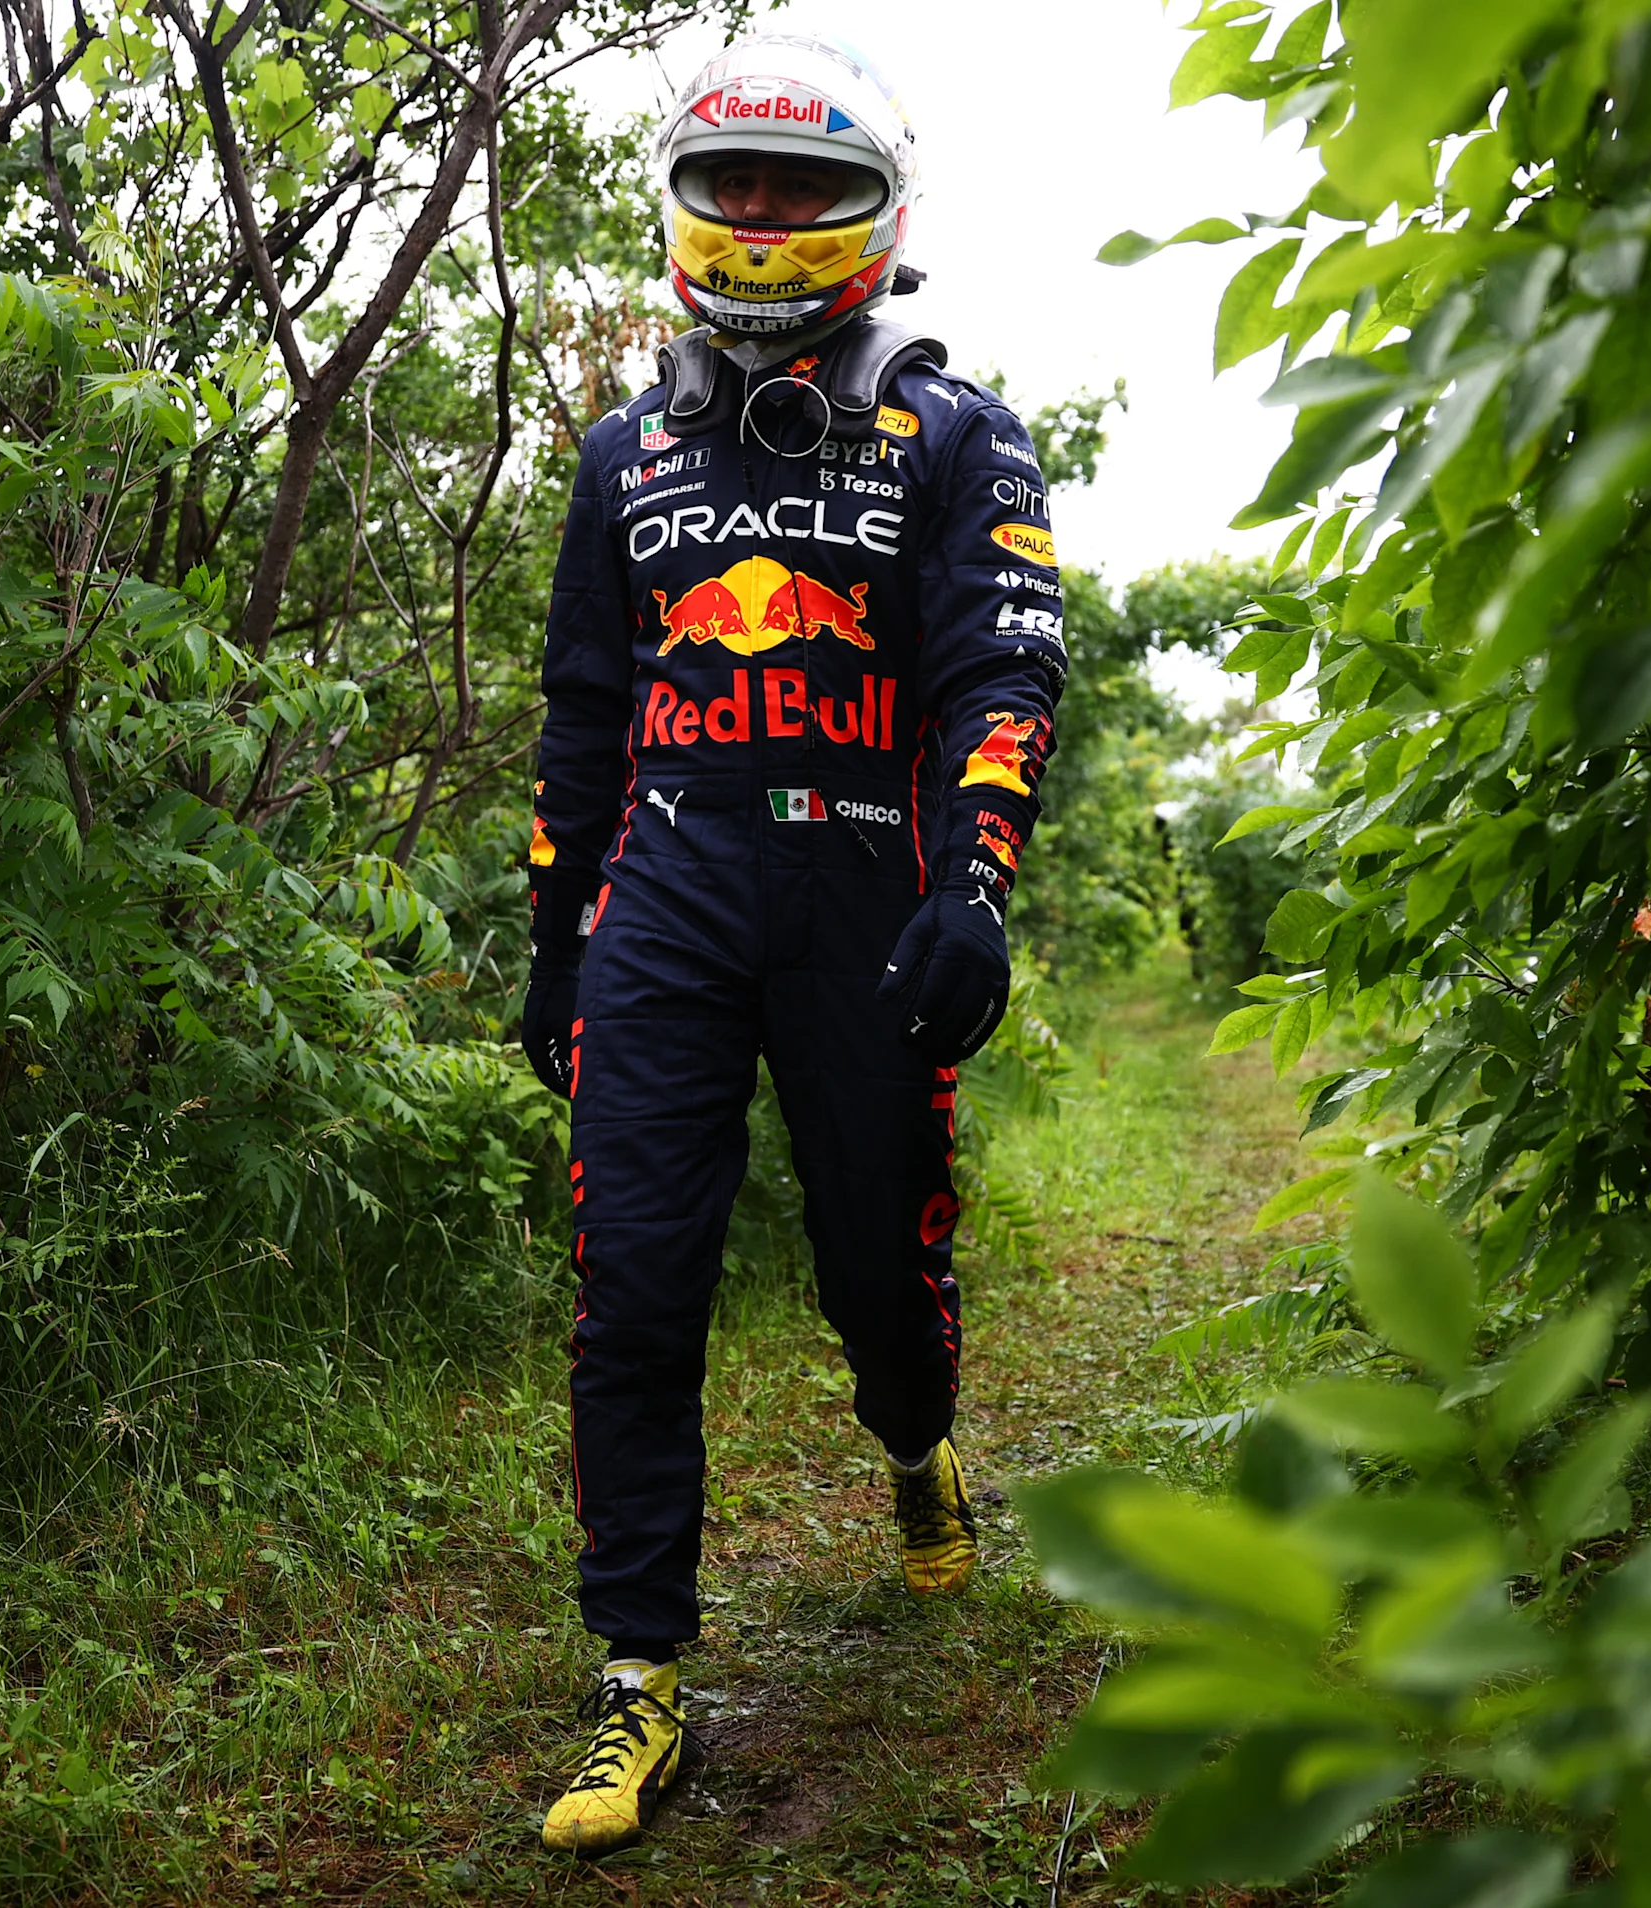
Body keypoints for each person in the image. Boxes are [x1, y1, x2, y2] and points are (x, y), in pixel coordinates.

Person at [513, 31, 1068, 1858]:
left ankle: (916, 1445)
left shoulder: (961, 428)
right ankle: (638, 1678)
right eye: (728, 181)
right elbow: (584, 708)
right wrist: (549, 929)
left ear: (874, 216)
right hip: (662, 900)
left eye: (800, 187)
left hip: (866, 901)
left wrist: (974, 885)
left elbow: (1002, 672)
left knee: (874, 1272)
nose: (757, 215)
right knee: (637, 1277)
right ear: (684, 200)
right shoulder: (622, 454)